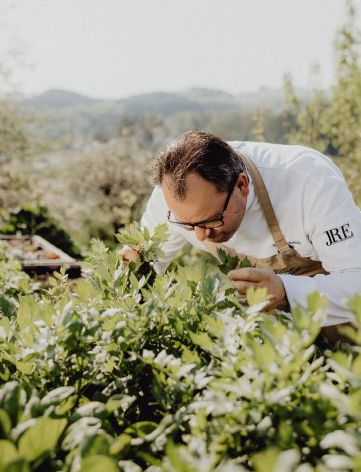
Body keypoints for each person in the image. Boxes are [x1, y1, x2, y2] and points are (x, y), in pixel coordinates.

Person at [122, 131, 361, 340]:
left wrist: (285, 291)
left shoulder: (309, 181)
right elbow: (141, 269)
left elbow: (356, 281)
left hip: (336, 312)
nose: (201, 236)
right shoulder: (169, 198)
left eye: (211, 220)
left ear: (242, 185)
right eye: (186, 225)